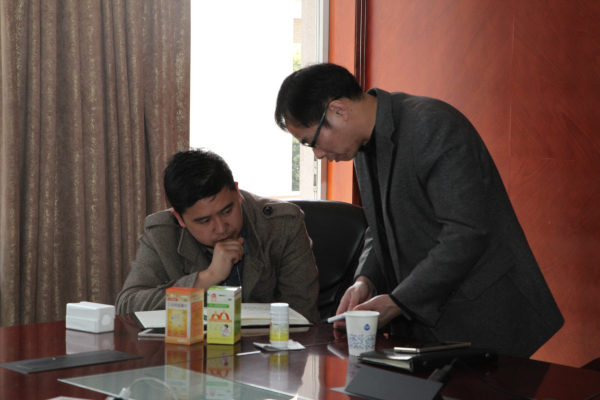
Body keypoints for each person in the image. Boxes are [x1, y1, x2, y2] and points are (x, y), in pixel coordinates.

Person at [274, 63, 564, 357]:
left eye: (312, 142)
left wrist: (398, 302)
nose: (318, 154)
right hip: (423, 322)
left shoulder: (433, 126)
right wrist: (365, 280)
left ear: (338, 110)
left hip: (484, 315)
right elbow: (380, 225)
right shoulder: (360, 144)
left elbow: (466, 233)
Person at [115, 149, 320, 324]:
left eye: (227, 211)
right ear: (179, 218)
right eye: (204, 221)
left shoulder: (282, 225)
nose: (221, 228)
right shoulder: (162, 234)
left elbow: (304, 315)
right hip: (193, 352)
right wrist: (207, 278)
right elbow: (127, 306)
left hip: (267, 350)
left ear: (237, 192)